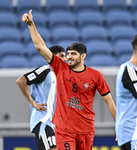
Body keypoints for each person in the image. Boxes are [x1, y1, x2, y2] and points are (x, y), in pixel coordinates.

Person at [22, 10, 116, 150]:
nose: (69, 56)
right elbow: (40, 47)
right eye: (68, 54)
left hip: (86, 129)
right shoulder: (60, 68)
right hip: (64, 129)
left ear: (83, 56)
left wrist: (119, 125)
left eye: (73, 54)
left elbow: (108, 100)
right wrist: (31, 25)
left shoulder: (96, 75)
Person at [16, 45, 66, 150]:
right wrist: (33, 103)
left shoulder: (61, 75)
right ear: (52, 57)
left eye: (65, 56)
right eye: (61, 56)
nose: (65, 59)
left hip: (54, 122)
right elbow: (21, 81)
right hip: (43, 119)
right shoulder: (45, 70)